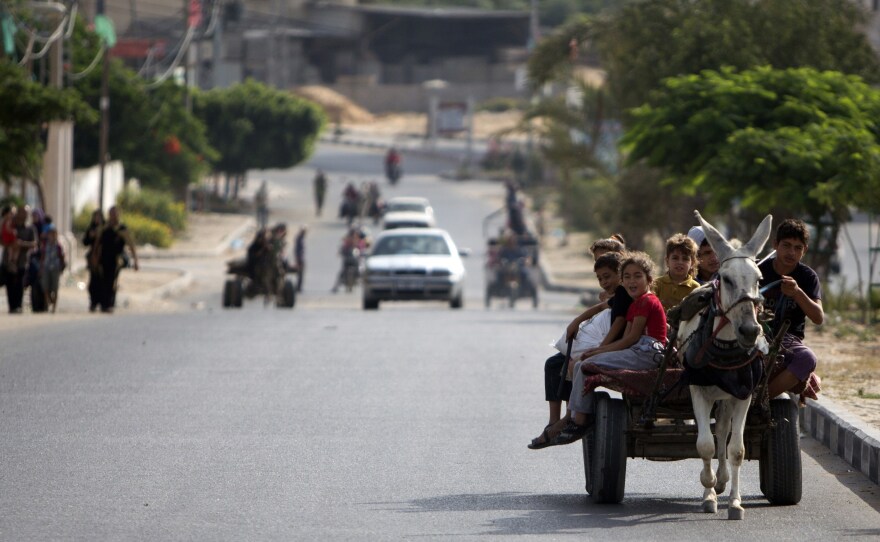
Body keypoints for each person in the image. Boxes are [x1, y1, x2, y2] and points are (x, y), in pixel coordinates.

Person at [548, 252, 667, 446]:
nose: (631, 281)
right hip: (637, 350)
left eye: (637, 276)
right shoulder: (634, 304)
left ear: (649, 279)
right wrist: (597, 352)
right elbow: (627, 340)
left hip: (648, 352)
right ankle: (574, 416)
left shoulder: (647, 301)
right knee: (582, 364)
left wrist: (598, 352)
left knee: (586, 365)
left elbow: (631, 338)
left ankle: (579, 421)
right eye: (627, 277)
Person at [529, 252, 628, 449]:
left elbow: (620, 323)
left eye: (607, 276)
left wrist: (599, 350)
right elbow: (601, 307)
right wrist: (577, 320)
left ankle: (571, 417)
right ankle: (556, 420)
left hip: (612, 347)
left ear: (620, 273)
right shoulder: (618, 295)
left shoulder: (625, 293)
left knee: (575, 366)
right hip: (606, 345)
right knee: (554, 364)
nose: (603, 282)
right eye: (600, 278)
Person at [758, 219, 824, 399]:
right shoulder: (758, 270)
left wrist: (797, 293)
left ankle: (760, 399)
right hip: (754, 333)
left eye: (798, 248)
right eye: (786, 245)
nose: (791, 252)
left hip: (787, 341)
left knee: (807, 359)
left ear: (804, 251)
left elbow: (818, 318)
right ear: (775, 245)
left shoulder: (807, 277)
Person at [93, 206, 139, 313]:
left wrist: (135, 261)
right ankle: (103, 303)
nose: (113, 216)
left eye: (115, 214)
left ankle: (109, 303)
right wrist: (94, 256)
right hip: (103, 258)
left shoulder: (122, 229)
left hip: (116, 259)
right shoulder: (104, 227)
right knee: (102, 280)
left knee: (111, 280)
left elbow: (131, 245)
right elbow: (97, 243)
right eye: (112, 214)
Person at [3, 206, 38, 313]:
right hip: (9, 260)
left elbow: (34, 244)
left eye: (25, 213)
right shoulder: (10, 226)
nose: (22, 215)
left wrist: (21, 244)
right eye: (21, 212)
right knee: (10, 283)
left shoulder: (30, 228)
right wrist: (11, 244)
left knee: (19, 283)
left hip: (22, 261)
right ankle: (11, 306)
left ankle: (18, 305)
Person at [652, 233, 700, 311]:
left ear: (692, 263)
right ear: (667, 261)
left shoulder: (695, 288)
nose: (680, 262)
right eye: (675, 258)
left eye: (685, 259)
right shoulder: (657, 284)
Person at [38, 224, 66, 313]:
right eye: (50, 234)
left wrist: (62, 268)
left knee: (55, 287)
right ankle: (48, 301)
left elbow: (62, 257)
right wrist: (41, 268)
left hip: (55, 268)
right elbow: (42, 257)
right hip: (46, 267)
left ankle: (54, 307)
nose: (52, 236)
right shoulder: (45, 246)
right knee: (45, 286)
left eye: (53, 234)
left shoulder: (58, 246)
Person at [83, 209, 105, 312]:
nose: (97, 219)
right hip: (93, 258)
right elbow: (85, 242)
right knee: (93, 282)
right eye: (96, 217)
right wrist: (91, 236)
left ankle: (103, 302)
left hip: (104, 258)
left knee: (103, 281)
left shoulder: (105, 228)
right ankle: (93, 302)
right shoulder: (91, 229)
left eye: (99, 217)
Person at [294, 227, 306, 293]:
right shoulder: (299, 239)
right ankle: (298, 287)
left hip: (301, 258)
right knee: (300, 273)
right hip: (300, 259)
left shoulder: (301, 238)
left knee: (301, 274)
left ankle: (299, 287)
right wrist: (298, 260)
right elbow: (297, 251)